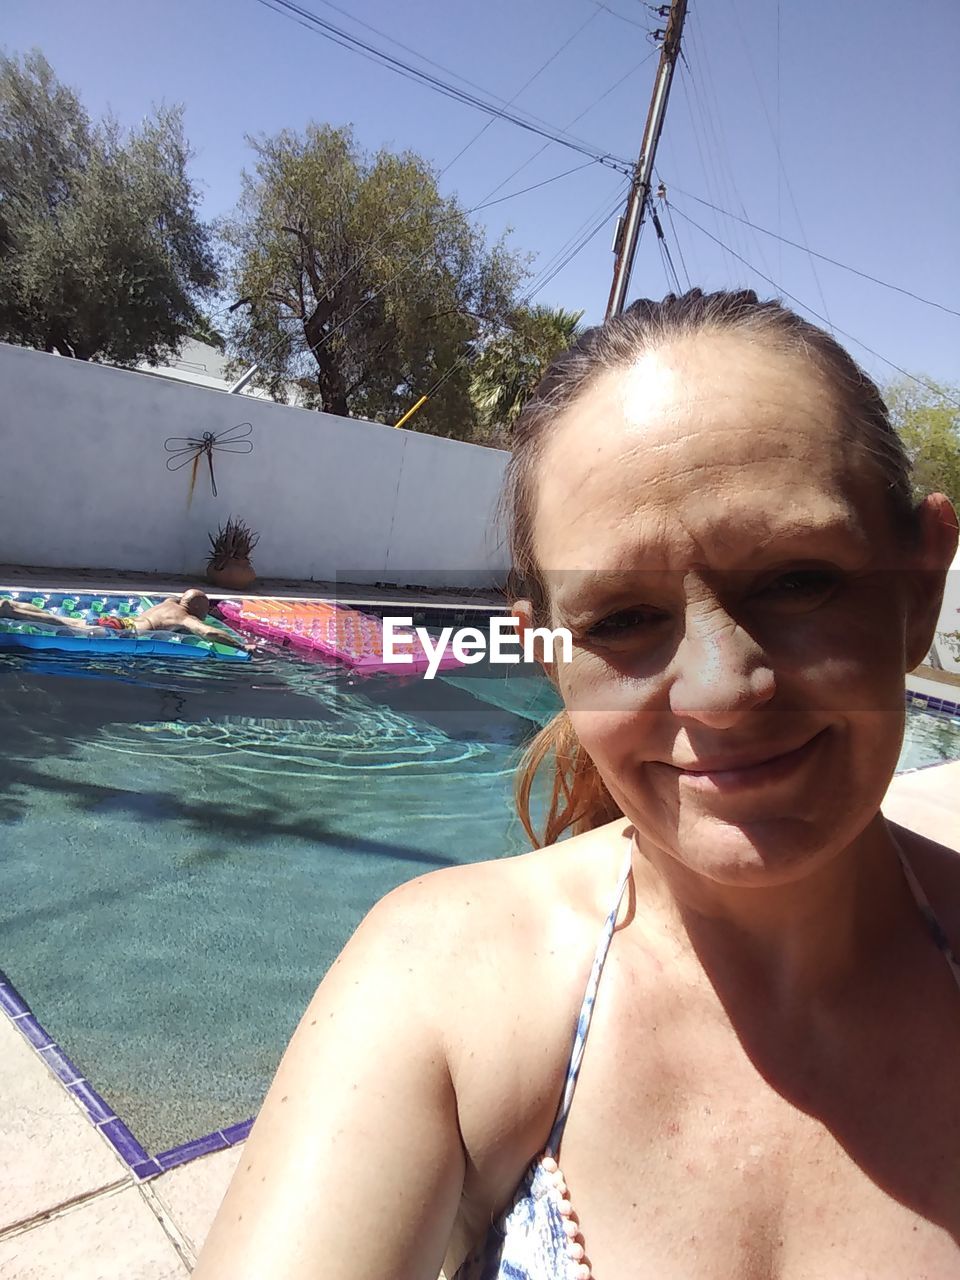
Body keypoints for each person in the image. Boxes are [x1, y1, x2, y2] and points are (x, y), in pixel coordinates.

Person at [193, 290, 960, 1279]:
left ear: (917, 592)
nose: (723, 691)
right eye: (622, 618)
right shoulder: (439, 981)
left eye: (797, 579)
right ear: (549, 654)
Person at [0, 589, 254, 651]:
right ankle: (10, 611)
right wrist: (242, 646)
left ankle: (12, 606)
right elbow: (209, 633)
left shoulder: (168, 603)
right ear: (197, 609)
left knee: (59, 618)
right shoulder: (183, 616)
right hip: (122, 632)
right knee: (62, 624)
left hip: (119, 621)